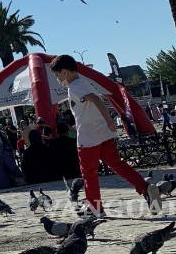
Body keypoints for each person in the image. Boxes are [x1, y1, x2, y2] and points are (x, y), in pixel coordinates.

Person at [49, 55, 160, 216]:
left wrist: (109, 119)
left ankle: (95, 207)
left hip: (88, 136)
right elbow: (93, 102)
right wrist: (107, 121)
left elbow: (94, 99)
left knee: (89, 173)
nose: (58, 79)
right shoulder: (85, 83)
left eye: (57, 75)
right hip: (103, 133)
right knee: (117, 164)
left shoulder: (75, 86)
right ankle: (144, 188)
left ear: (64, 72)